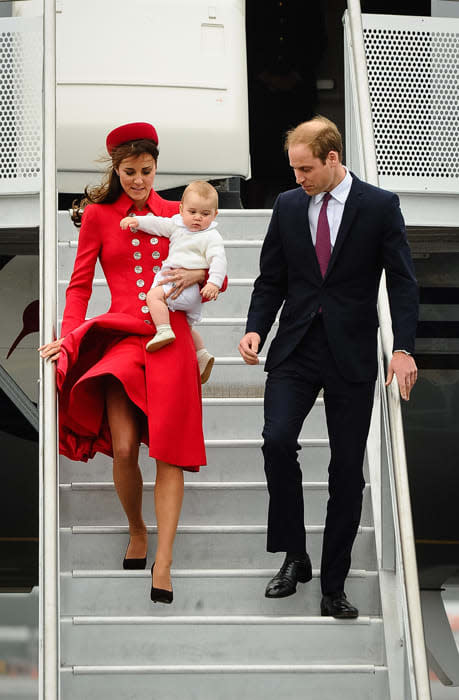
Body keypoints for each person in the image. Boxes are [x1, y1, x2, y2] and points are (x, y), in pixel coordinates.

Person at [238, 116, 418, 618]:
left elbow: (402, 282)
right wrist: (256, 326)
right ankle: (295, 556)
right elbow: (271, 277)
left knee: (345, 471)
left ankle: (333, 584)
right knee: (276, 442)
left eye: (306, 169)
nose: (299, 178)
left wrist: (402, 346)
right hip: (295, 348)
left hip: (351, 353)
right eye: (294, 169)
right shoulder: (288, 204)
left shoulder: (380, 206)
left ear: (333, 158)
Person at [39, 122, 226, 604]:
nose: (139, 180)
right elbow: (80, 285)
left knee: (169, 451)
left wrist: (200, 273)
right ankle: (137, 528)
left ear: (156, 167)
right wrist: (69, 335)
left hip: (171, 339)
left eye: (146, 171)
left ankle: (162, 561)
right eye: (129, 172)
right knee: (123, 448)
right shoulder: (100, 217)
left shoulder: (179, 212)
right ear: (116, 170)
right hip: (123, 334)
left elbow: (218, 271)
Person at [120, 180, 227, 383]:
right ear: (181, 210)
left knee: (154, 296)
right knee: (186, 328)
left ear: (215, 215)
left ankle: (163, 330)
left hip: (182, 288)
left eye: (205, 214)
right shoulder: (178, 225)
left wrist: (213, 282)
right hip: (189, 294)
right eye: (192, 212)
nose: (197, 218)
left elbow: (219, 260)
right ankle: (202, 354)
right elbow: (158, 224)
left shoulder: (211, 236)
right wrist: (138, 222)